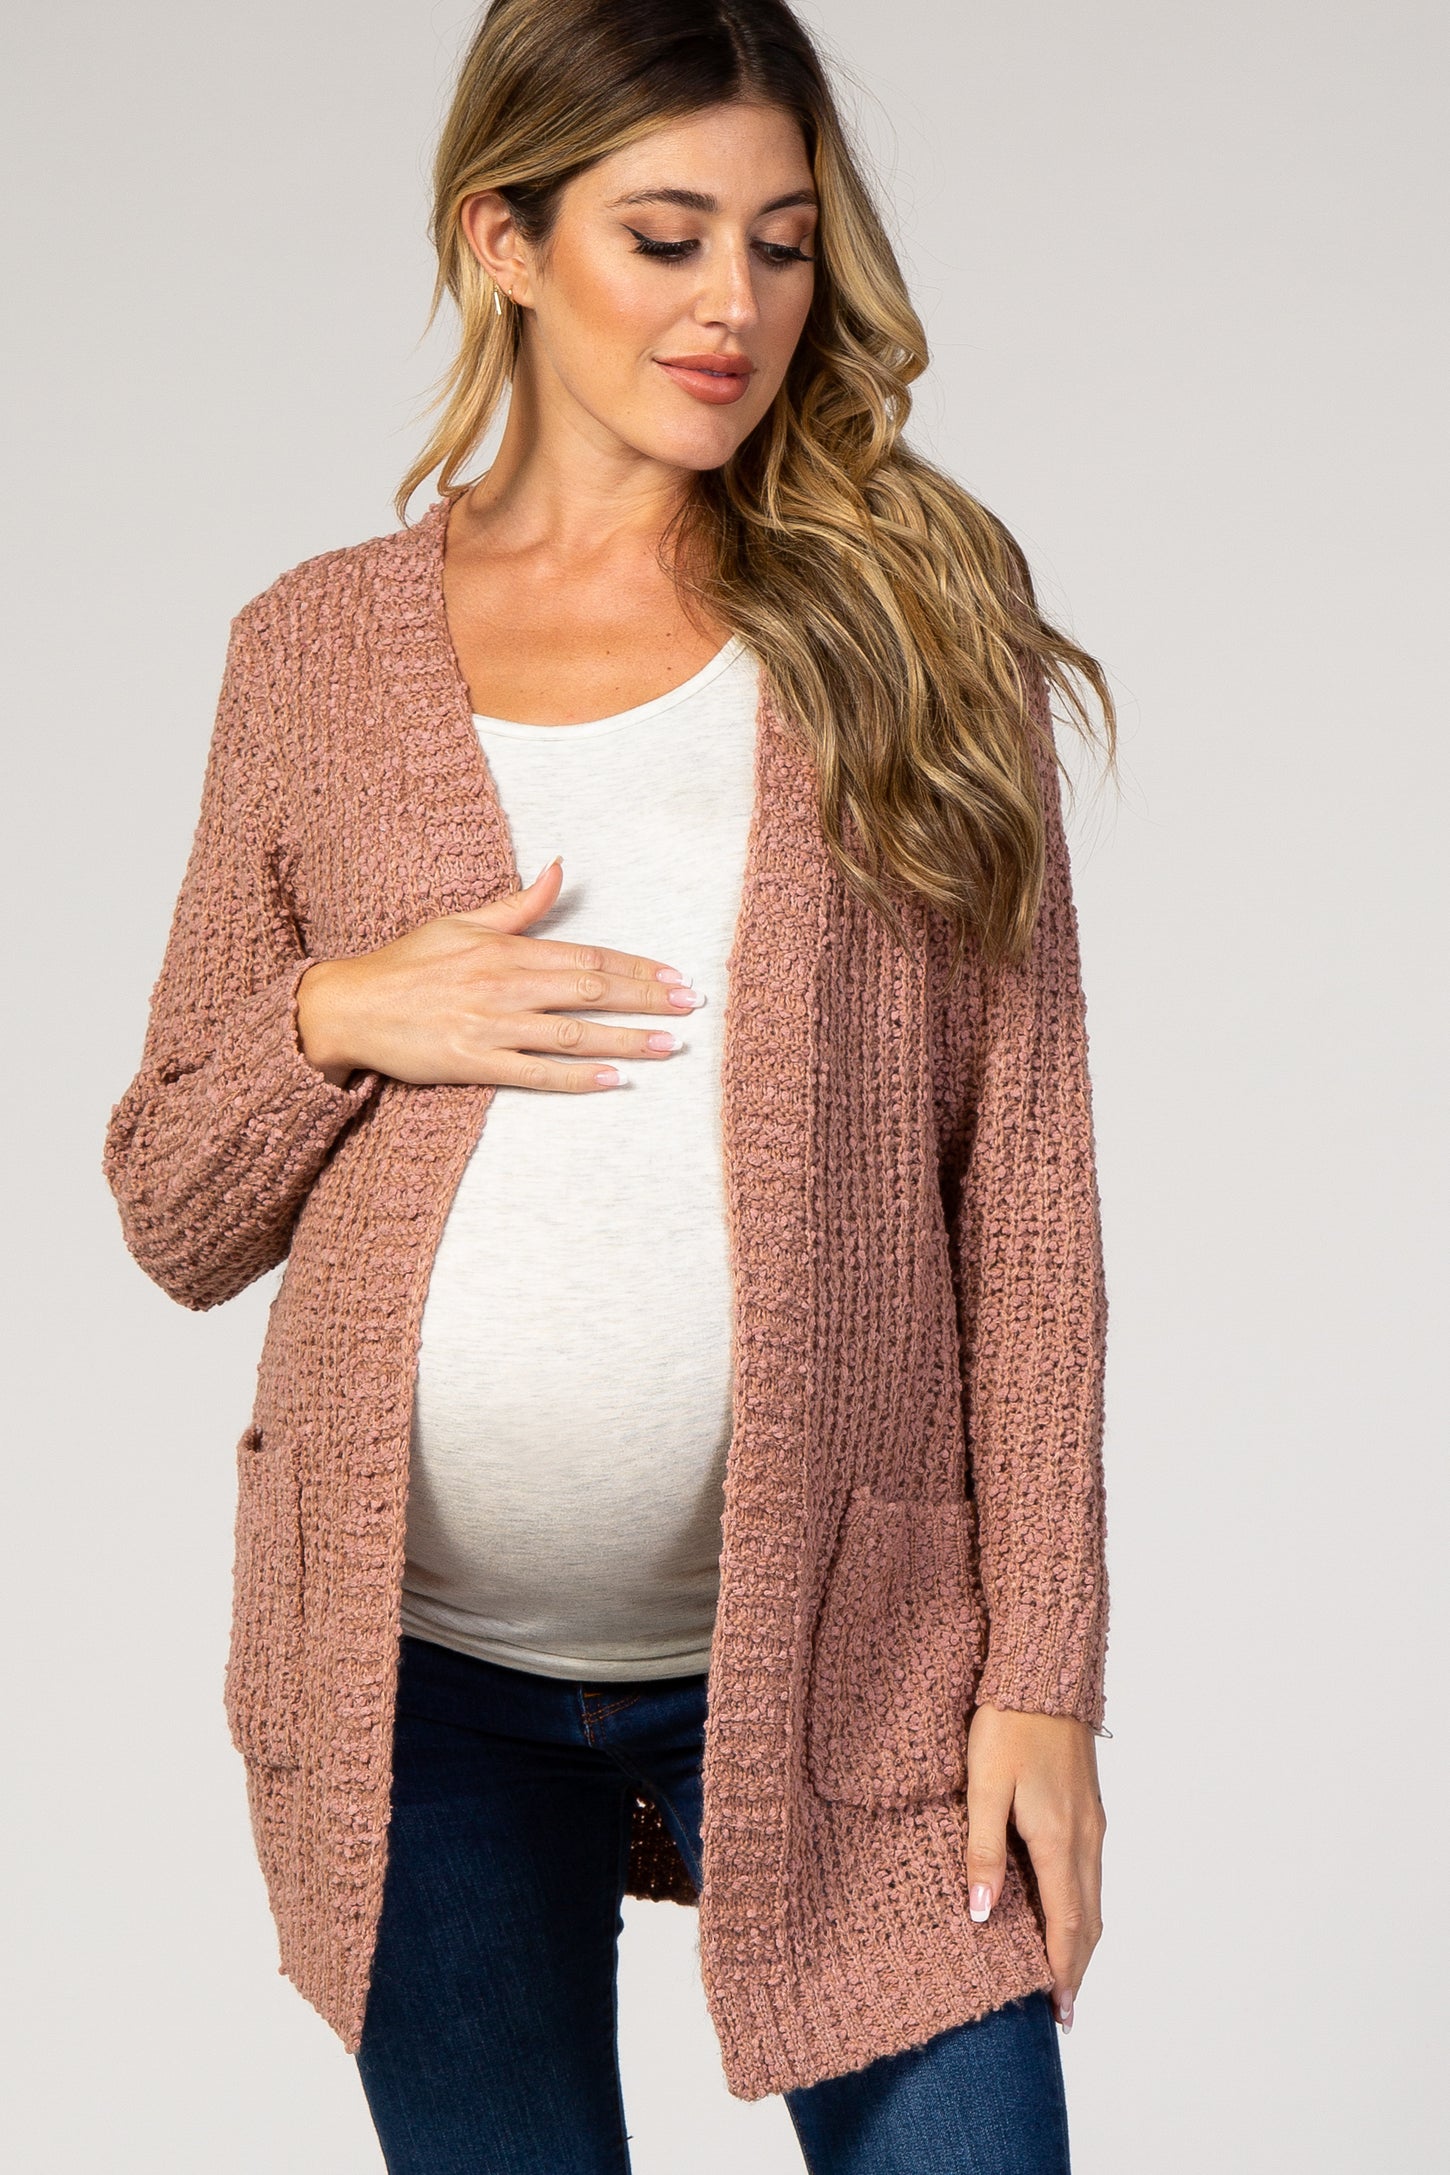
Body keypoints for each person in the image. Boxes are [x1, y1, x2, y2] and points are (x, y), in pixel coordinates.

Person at [103, 2, 1115, 2168]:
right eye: (663, 238)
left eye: (779, 241)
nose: (732, 304)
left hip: (852, 1658)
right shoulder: (314, 651)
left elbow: (1023, 1200)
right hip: (411, 1685)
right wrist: (332, 1016)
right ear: (504, 238)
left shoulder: (913, 617)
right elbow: (172, 1199)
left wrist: (1042, 1671)